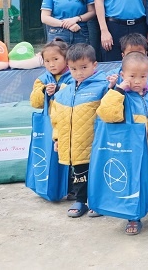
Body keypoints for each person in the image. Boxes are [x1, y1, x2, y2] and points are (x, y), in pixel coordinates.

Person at [98, 51, 148, 234]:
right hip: (131, 156)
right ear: (122, 75)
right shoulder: (120, 98)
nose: (137, 81)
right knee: (133, 188)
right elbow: (107, 114)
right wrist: (118, 90)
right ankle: (133, 217)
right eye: (132, 76)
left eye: (142, 76)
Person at [50, 43, 109, 218]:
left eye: (84, 67)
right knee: (79, 174)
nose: (79, 73)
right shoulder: (64, 91)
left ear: (94, 65)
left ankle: (99, 202)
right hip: (75, 144)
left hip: (96, 143)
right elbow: (56, 118)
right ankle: (80, 200)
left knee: (97, 173)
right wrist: (57, 139)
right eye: (74, 69)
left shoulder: (103, 87)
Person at [30, 40, 73, 111]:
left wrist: (58, 89)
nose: (51, 65)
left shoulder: (75, 76)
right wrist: (44, 91)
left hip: (69, 116)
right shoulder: (42, 80)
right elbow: (35, 104)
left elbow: (78, 95)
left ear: (66, 58)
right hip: (50, 117)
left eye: (56, 59)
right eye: (47, 61)